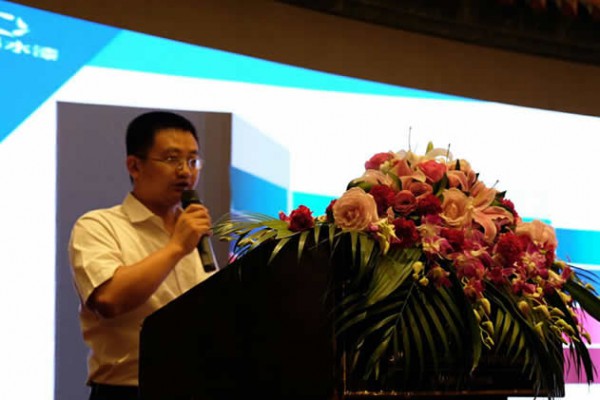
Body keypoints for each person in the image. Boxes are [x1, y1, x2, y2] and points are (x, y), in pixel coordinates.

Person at [68, 111, 217, 400]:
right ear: (134, 166)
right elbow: (110, 299)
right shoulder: (98, 225)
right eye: (172, 159)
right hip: (126, 392)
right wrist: (176, 247)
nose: (185, 172)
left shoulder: (193, 232)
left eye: (192, 161)